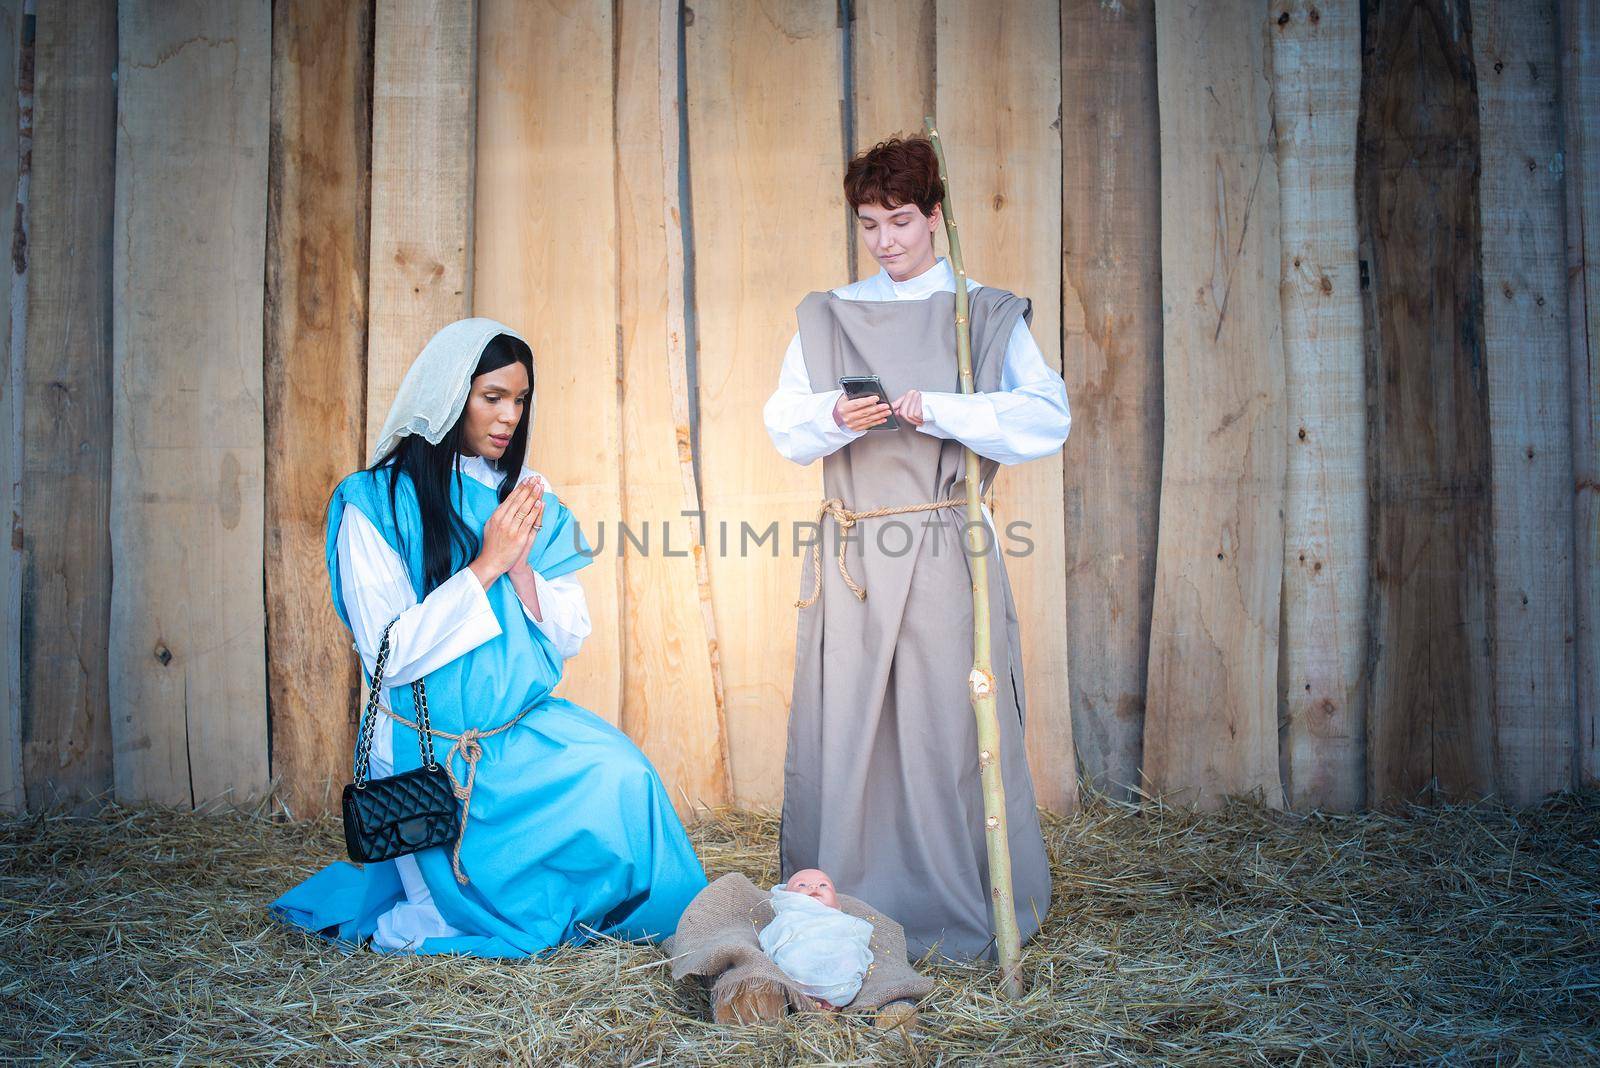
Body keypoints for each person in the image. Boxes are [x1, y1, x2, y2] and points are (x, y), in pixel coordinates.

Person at [271, 317, 707, 957]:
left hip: (519, 729)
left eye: (520, 400)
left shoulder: (528, 497)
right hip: (430, 748)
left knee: (625, 775)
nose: (509, 417)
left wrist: (522, 563)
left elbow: (567, 638)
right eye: (492, 397)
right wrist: (486, 564)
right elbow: (388, 654)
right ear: (451, 395)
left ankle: (694, 928)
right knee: (451, 919)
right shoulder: (372, 503)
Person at [763, 137, 1070, 961]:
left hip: (945, 543)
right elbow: (782, 425)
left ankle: (963, 903)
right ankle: (845, 904)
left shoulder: (986, 311)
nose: (887, 240)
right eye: (870, 224)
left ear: (936, 216)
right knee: (850, 726)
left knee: (947, 727)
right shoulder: (828, 314)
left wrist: (943, 408)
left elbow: (1047, 417)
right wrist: (835, 415)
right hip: (856, 548)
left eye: (901, 220)